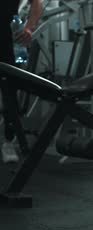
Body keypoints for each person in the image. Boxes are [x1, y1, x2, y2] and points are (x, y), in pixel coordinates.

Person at [1, 0, 43, 163]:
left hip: (10, 39)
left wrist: (28, 27)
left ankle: (8, 142)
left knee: (10, 93)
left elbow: (37, 2)